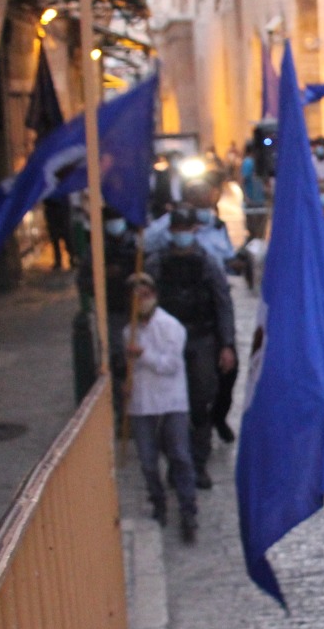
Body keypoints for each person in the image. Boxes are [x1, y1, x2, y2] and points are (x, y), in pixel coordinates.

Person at [154, 206, 237, 487]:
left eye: (186, 231)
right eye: (177, 231)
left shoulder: (207, 263)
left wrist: (227, 344)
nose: (182, 236)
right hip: (167, 344)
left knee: (201, 404)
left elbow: (223, 304)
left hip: (201, 341)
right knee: (169, 407)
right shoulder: (157, 264)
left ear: (194, 231)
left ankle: (198, 463)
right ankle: (177, 463)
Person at [124, 273, 199, 543]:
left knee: (179, 455)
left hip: (171, 401)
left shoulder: (170, 327)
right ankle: (158, 502)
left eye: (145, 295)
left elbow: (170, 365)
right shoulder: (129, 331)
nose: (141, 301)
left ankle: (188, 508)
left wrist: (144, 355)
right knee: (147, 460)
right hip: (142, 404)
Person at [77, 207, 140, 419]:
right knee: (118, 362)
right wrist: (104, 275)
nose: (116, 224)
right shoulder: (96, 249)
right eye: (111, 220)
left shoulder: (137, 245)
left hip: (138, 313)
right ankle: (122, 411)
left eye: (118, 218)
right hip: (112, 313)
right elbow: (83, 282)